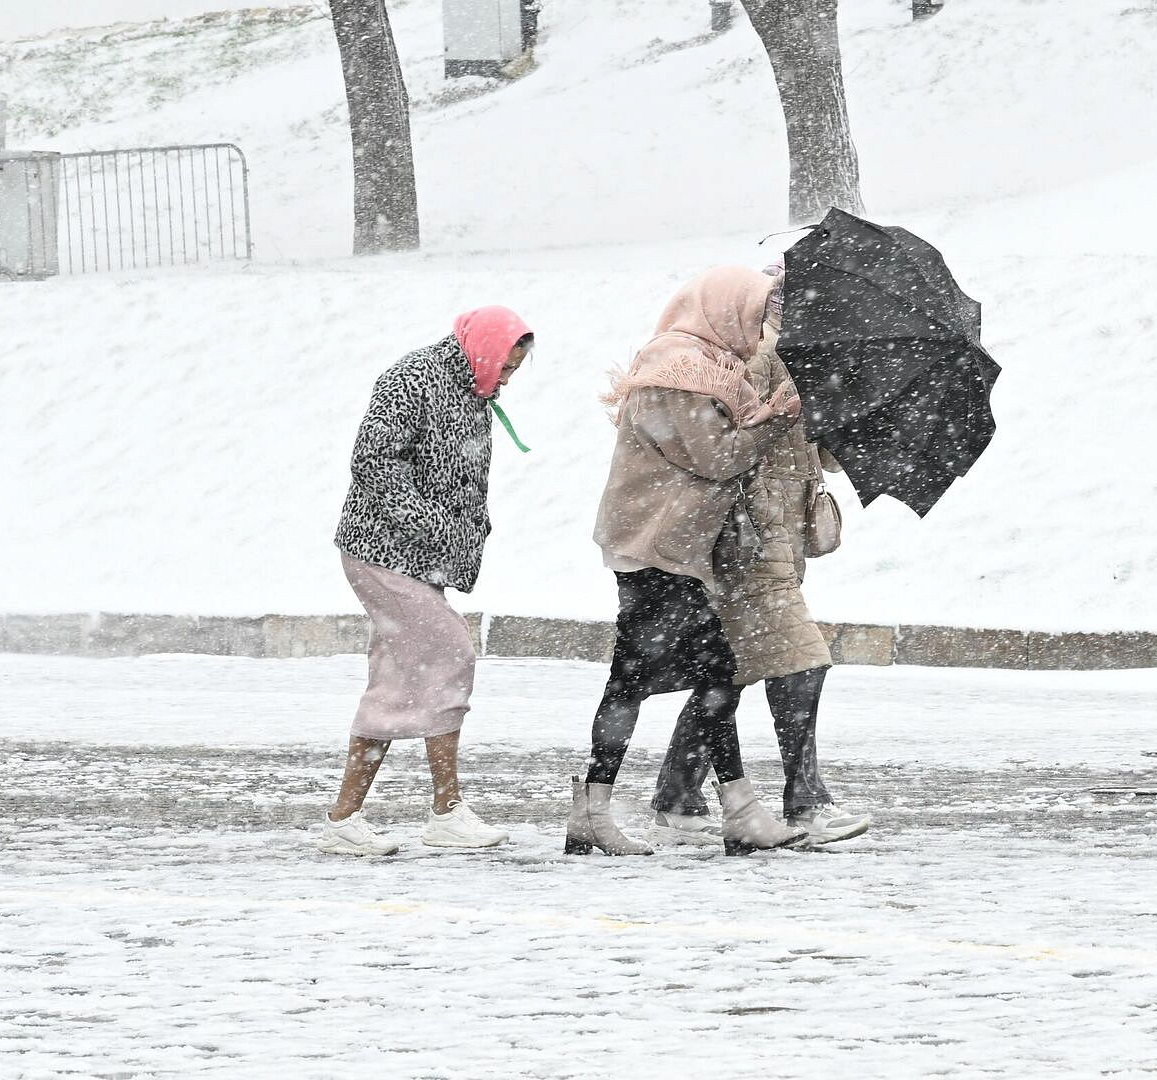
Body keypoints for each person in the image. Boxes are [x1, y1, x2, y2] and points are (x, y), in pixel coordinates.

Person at [565, 266, 807, 857]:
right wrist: (772, 424)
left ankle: (597, 808)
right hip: (655, 547)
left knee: (654, 678)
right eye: (755, 310)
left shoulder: (704, 370)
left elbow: (712, 447)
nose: (761, 321)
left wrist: (762, 417)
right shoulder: (681, 372)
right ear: (724, 309)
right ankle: (733, 810)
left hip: (668, 547)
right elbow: (718, 457)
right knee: (703, 675)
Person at [649, 269, 871, 846]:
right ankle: (806, 802)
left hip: (778, 538)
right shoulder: (749, 358)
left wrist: (837, 405)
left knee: (734, 671)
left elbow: (827, 458)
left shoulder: (804, 359)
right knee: (803, 660)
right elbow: (724, 449)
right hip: (746, 541)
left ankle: (677, 790)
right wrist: (778, 413)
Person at [321, 306, 533, 857]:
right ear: (484, 348)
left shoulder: (470, 388)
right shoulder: (414, 378)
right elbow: (373, 461)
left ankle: (347, 817)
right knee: (449, 653)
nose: (507, 379)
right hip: (382, 548)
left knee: (396, 678)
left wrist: (464, 528)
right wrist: (433, 525)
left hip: (418, 556)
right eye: (505, 367)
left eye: (513, 371)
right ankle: (445, 809)